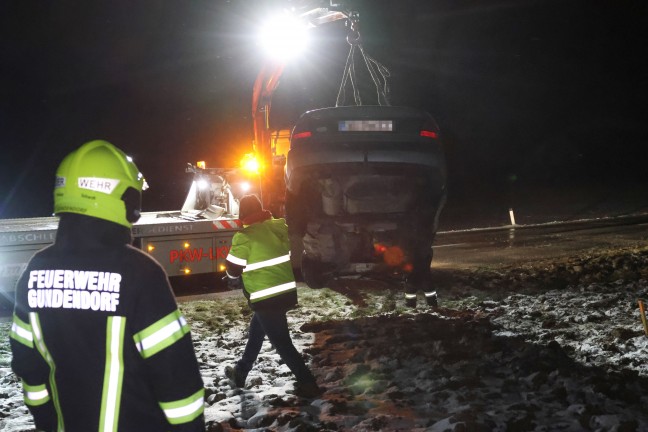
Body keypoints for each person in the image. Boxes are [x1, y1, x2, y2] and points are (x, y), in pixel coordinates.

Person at [9, 140, 206, 431]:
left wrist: (48, 422)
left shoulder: (36, 270)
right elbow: (176, 379)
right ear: (121, 200)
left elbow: (29, 367)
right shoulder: (140, 273)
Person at [224, 194, 321, 398]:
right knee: (256, 332)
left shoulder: (245, 236)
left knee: (282, 342)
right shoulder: (278, 227)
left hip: (266, 298)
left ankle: (308, 383)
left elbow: (233, 271)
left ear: (243, 213)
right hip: (284, 292)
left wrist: (230, 268)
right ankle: (240, 372)